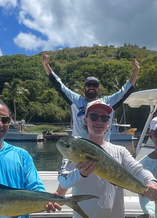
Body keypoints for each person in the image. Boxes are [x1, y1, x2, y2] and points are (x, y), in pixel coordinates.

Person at [42, 54, 139, 196]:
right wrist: (46, 66)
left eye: (95, 85)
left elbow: (125, 91)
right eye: (89, 85)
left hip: (100, 151)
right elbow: (59, 86)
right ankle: (58, 199)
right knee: (64, 180)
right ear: (84, 88)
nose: (91, 87)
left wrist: (136, 71)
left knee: (103, 181)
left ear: (99, 89)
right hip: (75, 149)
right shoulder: (76, 100)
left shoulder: (107, 102)